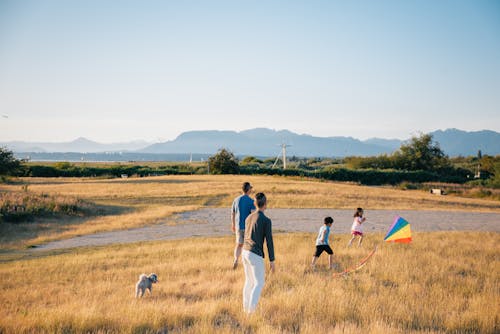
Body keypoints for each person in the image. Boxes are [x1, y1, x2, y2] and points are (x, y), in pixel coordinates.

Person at [242, 192, 275, 314]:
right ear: (265, 204)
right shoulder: (266, 220)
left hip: (245, 252)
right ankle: (251, 312)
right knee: (259, 283)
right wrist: (272, 260)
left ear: (255, 203)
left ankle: (245, 309)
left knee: (249, 281)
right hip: (255, 254)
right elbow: (269, 242)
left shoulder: (248, 218)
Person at [231, 182, 255, 269]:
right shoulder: (251, 201)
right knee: (248, 245)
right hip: (247, 227)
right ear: (248, 190)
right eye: (250, 189)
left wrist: (233, 224)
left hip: (238, 226)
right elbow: (253, 215)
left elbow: (233, 213)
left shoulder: (236, 200)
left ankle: (236, 259)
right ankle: (247, 262)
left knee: (239, 244)